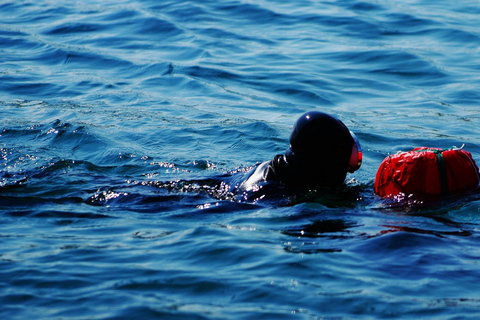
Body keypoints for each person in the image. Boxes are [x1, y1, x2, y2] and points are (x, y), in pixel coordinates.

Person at [237, 111, 362, 199]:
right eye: (344, 153)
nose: (348, 169)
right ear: (326, 159)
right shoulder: (277, 193)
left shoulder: (279, 167)